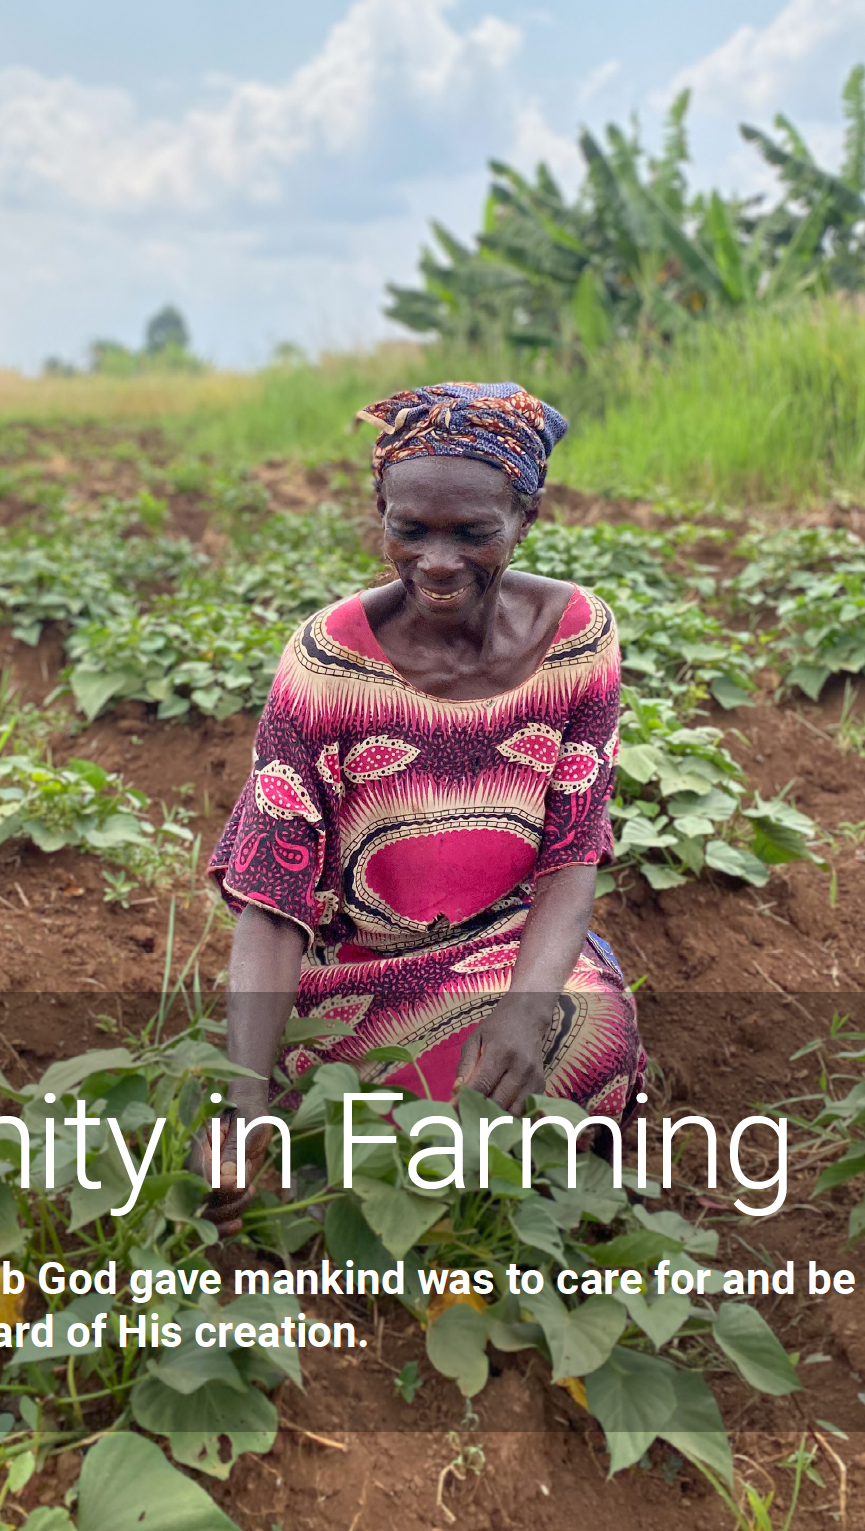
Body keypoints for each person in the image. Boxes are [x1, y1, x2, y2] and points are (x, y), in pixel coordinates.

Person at [202, 382, 644, 1234]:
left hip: (510, 949)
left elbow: (573, 854)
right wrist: (242, 1099)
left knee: (582, 1040)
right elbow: (273, 896)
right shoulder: (326, 664)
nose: (437, 562)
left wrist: (525, 1006)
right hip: (357, 970)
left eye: (472, 533)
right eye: (410, 530)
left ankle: (479, 1198)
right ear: (381, 512)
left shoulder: (580, 638)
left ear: (527, 519)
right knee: (330, 1117)